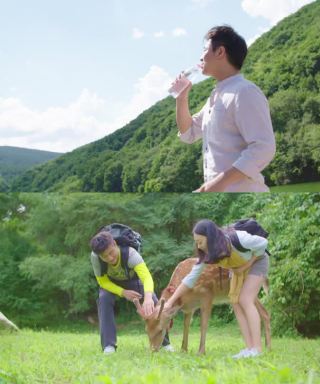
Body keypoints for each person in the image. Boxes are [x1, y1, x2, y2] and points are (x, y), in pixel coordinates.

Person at [173, 25, 276, 192]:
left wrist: (214, 186)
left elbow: (264, 148)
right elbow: (188, 133)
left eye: (205, 50)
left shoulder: (244, 92)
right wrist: (181, 97)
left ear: (220, 52)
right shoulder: (215, 98)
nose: (201, 57)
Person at [164, 219, 269, 359]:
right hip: (238, 267)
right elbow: (190, 279)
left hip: (257, 261)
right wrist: (170, 302)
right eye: (196, 242)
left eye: (200, 242)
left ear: (210, 237)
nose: (198, 246)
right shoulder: (208, 254)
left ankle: (257, 349)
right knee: (235, 302)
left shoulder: (237, 239)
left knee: (245, 299)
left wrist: (245, 266)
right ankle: (249, 349)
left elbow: (263, 243)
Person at [89, 231, 172, 354]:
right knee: (103, 299)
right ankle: (108, 346)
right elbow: (103, 282)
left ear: (115, 244)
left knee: (154, 301)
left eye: (111, 252)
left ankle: (165, 343)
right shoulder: (95, 257)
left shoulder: (131, 254)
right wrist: (123, 292)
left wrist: (148, 297)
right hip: (111, 284)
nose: (110, 258)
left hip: (132, 281)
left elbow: (147, 278)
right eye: (104, 257)